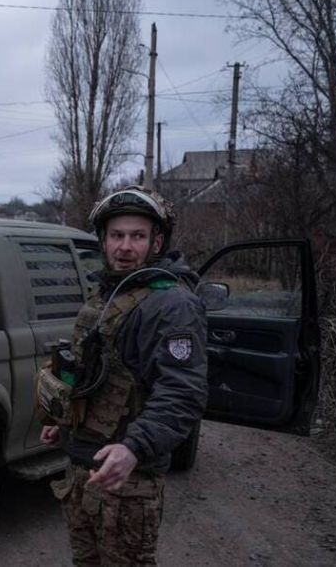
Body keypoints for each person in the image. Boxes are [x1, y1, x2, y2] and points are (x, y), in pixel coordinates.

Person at [38, 186, 208, 566]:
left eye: (137, 236)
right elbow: (90, 369)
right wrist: (62, 420)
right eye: (116, 235)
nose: (125, 247)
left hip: (129, 481)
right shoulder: (106, 293)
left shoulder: (172, 305)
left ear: (156, 242)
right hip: (81, 467)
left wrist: (135, 447)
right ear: (104, 240)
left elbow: (182, 391)